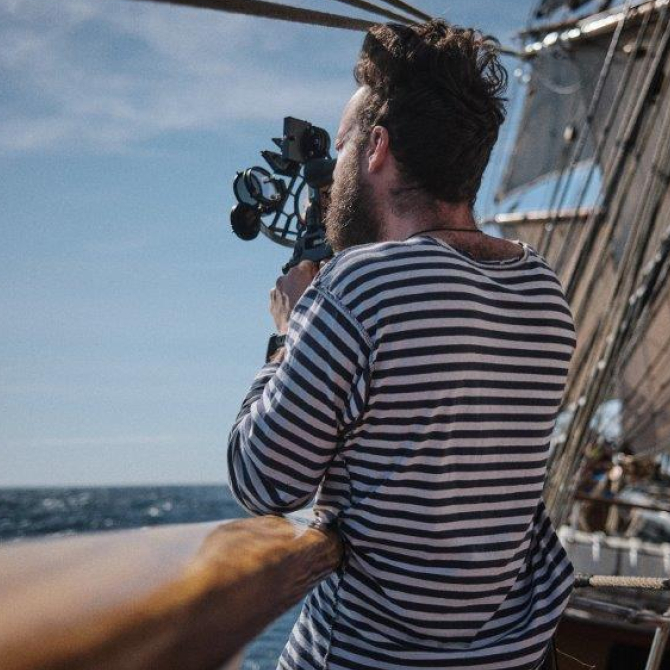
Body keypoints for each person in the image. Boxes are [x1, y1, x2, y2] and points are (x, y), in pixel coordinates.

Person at [227, 20, 575, 670]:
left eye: (342, 146)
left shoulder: (359, 285)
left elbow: (262, 481)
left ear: (377, 148)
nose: (333, 173)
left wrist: (287, 334)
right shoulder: (542, 291)